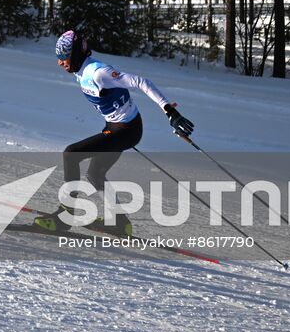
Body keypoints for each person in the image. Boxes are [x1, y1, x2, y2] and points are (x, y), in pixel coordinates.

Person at [34, 28, 194, 234]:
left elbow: (140, 82)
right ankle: (119, 222)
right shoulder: (81, 71)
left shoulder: (98, 72)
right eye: (58, 58)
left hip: (127, 130)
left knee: (71, 154)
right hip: (116, 127)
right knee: (95, 173)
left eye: (63, 57)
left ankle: (64, 218)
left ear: (74, 55)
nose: (59, 62)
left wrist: (170, 111)